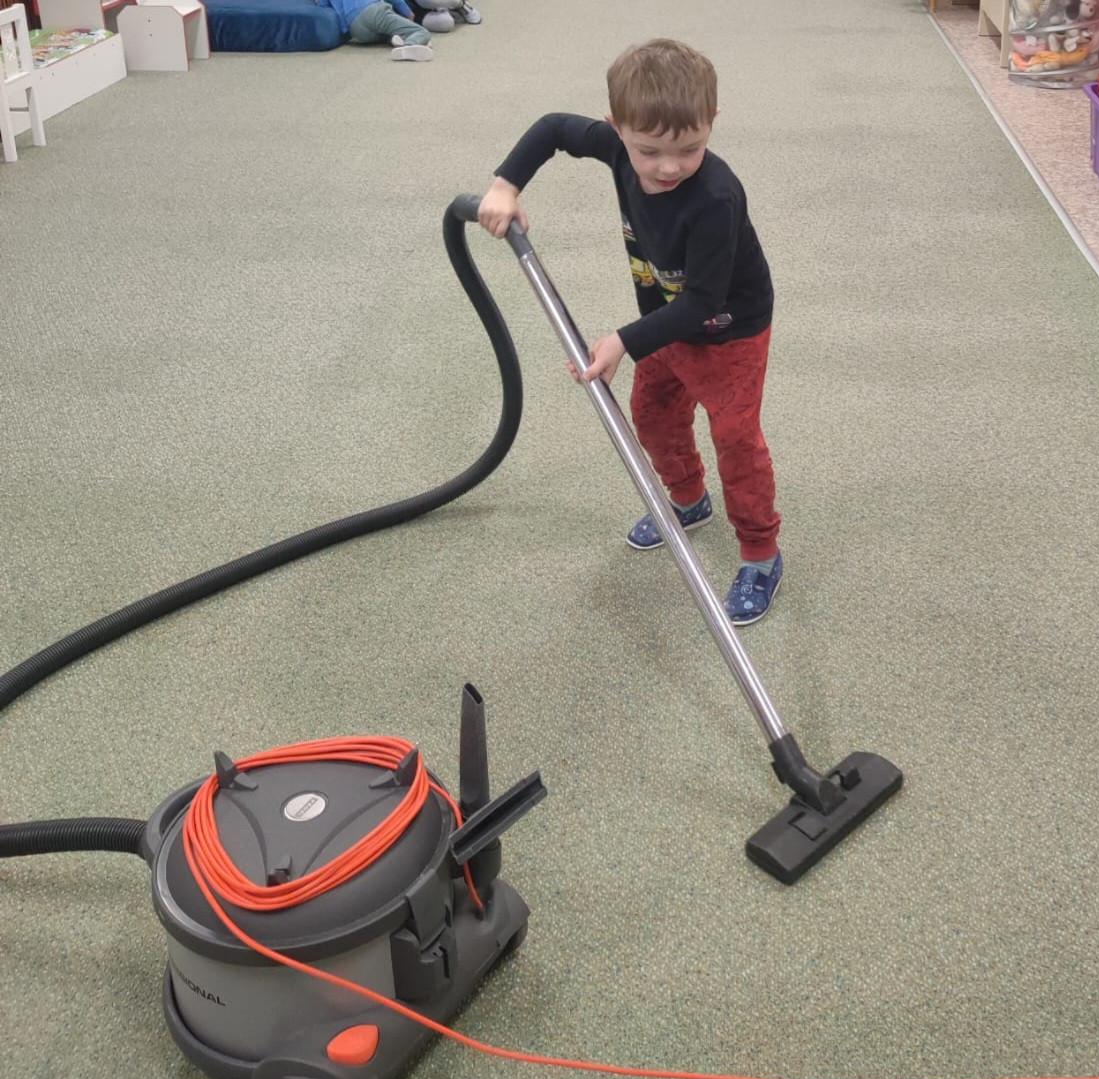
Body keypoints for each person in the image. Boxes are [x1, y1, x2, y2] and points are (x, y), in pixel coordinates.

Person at [477, 38, 783, 626]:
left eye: (690, 148)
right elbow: (552, 128)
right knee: (653, 416)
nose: (669, 167)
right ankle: (688, 501)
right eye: (649, 151)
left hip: (729, 331)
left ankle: (760, 553)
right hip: (664, 319)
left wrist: (623, 340)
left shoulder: (715, 197)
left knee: (736, 439)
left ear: (711, 123)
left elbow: (702, 302)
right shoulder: (616, 148)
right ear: (617, 129)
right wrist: (505, 184)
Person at [321, 0, 435, 59]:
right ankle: (409, 45)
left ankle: (398, 39)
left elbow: (325, 7)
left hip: (355, 30)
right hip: (372, 11)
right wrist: (408, 13)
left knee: (389, 32)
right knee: (421, 32)